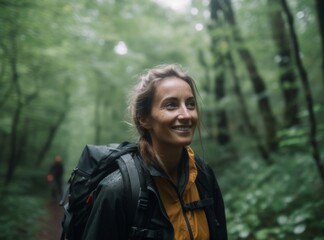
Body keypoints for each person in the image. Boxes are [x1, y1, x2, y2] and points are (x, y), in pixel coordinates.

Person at [82, 64, 227, 239]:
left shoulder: (203, 176)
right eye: (171, 105)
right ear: (144, 119)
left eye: (190, 104)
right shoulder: (118, 190)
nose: (187, 115)